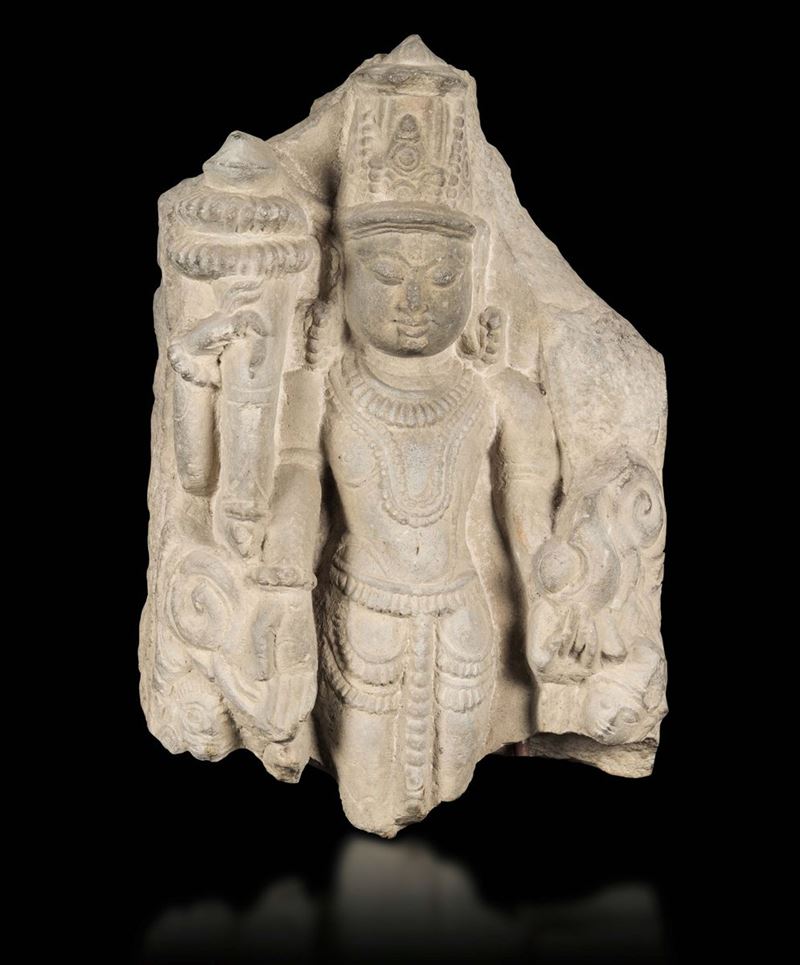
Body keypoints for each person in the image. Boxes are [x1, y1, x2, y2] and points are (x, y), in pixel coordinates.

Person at [254, 197, 560, 837]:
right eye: (389, 276)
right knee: (368, 799)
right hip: (361, 616)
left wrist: (551, 609)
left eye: (442, 279)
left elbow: (529, 515)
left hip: (464, 621)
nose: (415, 303)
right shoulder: (322, 384)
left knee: (455, 781)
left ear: (473, 278)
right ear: (343, 273)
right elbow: (297, 476)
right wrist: (282, 590)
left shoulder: (497, 392)